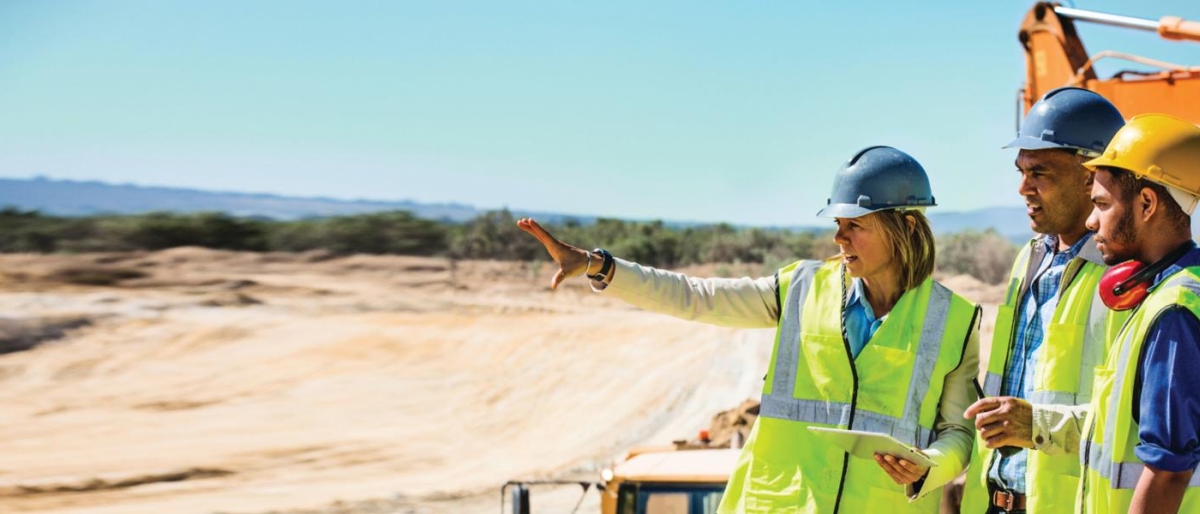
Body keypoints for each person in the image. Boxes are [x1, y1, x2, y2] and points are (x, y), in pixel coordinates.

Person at [517, 146, 981, 513]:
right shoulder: (801, 288)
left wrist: (929, 466)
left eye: (854, 225)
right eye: (837, 224)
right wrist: (602, 267)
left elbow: (958, 432)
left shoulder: (955, 320)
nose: (838, 238)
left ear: (903, 228)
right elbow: (697, 297)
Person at [957, 87, 1127, 514]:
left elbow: (1137, 421)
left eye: (1040, 173)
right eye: (1020, 171)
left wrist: (1038, 425)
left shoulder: (1128, 275)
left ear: (1092, 175)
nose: (1023, 188)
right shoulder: (1028, 259)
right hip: (995, 503)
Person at [1076, 113, 1200, 513]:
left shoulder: (1174, 310)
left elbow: (1169, 470)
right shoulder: (1178, 291)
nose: (1090, 221)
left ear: (1147, 203)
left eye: (1102, 204)